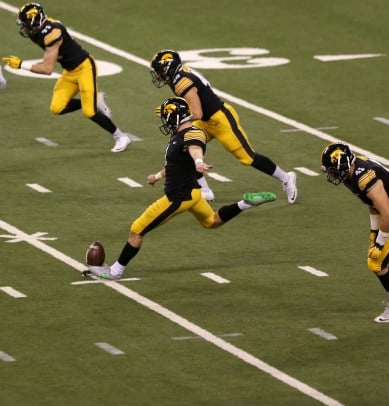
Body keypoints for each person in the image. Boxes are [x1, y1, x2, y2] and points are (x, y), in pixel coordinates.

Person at [85, 97, 277, 281]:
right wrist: (157, 176)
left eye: (166, 116)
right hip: (193, 194)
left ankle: (116, 271)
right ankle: (246, 203)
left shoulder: (191, 133)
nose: (164, 120)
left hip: (178, 197)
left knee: (137, 230)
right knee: (211, 221)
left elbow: (195, 148)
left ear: (174, 117)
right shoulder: (180, 135)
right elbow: (174, 165)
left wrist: (199, 161)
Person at [149, 49, 297, 204]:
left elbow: (197, 113)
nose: (158, 75)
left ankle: (286, 178)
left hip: (220, 119)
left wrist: (173, 116)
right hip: (207, 121)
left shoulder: (181, 82)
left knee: (247, 157)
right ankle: (205, 191)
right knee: (185, 147)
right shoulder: (181, 73)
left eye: (159, 71)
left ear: (169, 68)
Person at [2, 2, 132, 153]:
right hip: (70, 71)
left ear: (35, 22)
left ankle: (121, 136)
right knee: (57, 108)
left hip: (84, 67)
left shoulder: (52, 34)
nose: (24, 28)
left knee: (89, 112)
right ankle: (95, 101)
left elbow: (47, 69)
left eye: (26, 24)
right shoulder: (39, 30)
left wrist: (21, 65)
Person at [320, 142, 389, 323]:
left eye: (333, 170)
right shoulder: (353, 171)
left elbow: (387, 213)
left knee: (376, 263)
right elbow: (372, 205)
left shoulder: (364, 178)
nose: (332, 175)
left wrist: (380, 242)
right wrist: (373, 233)